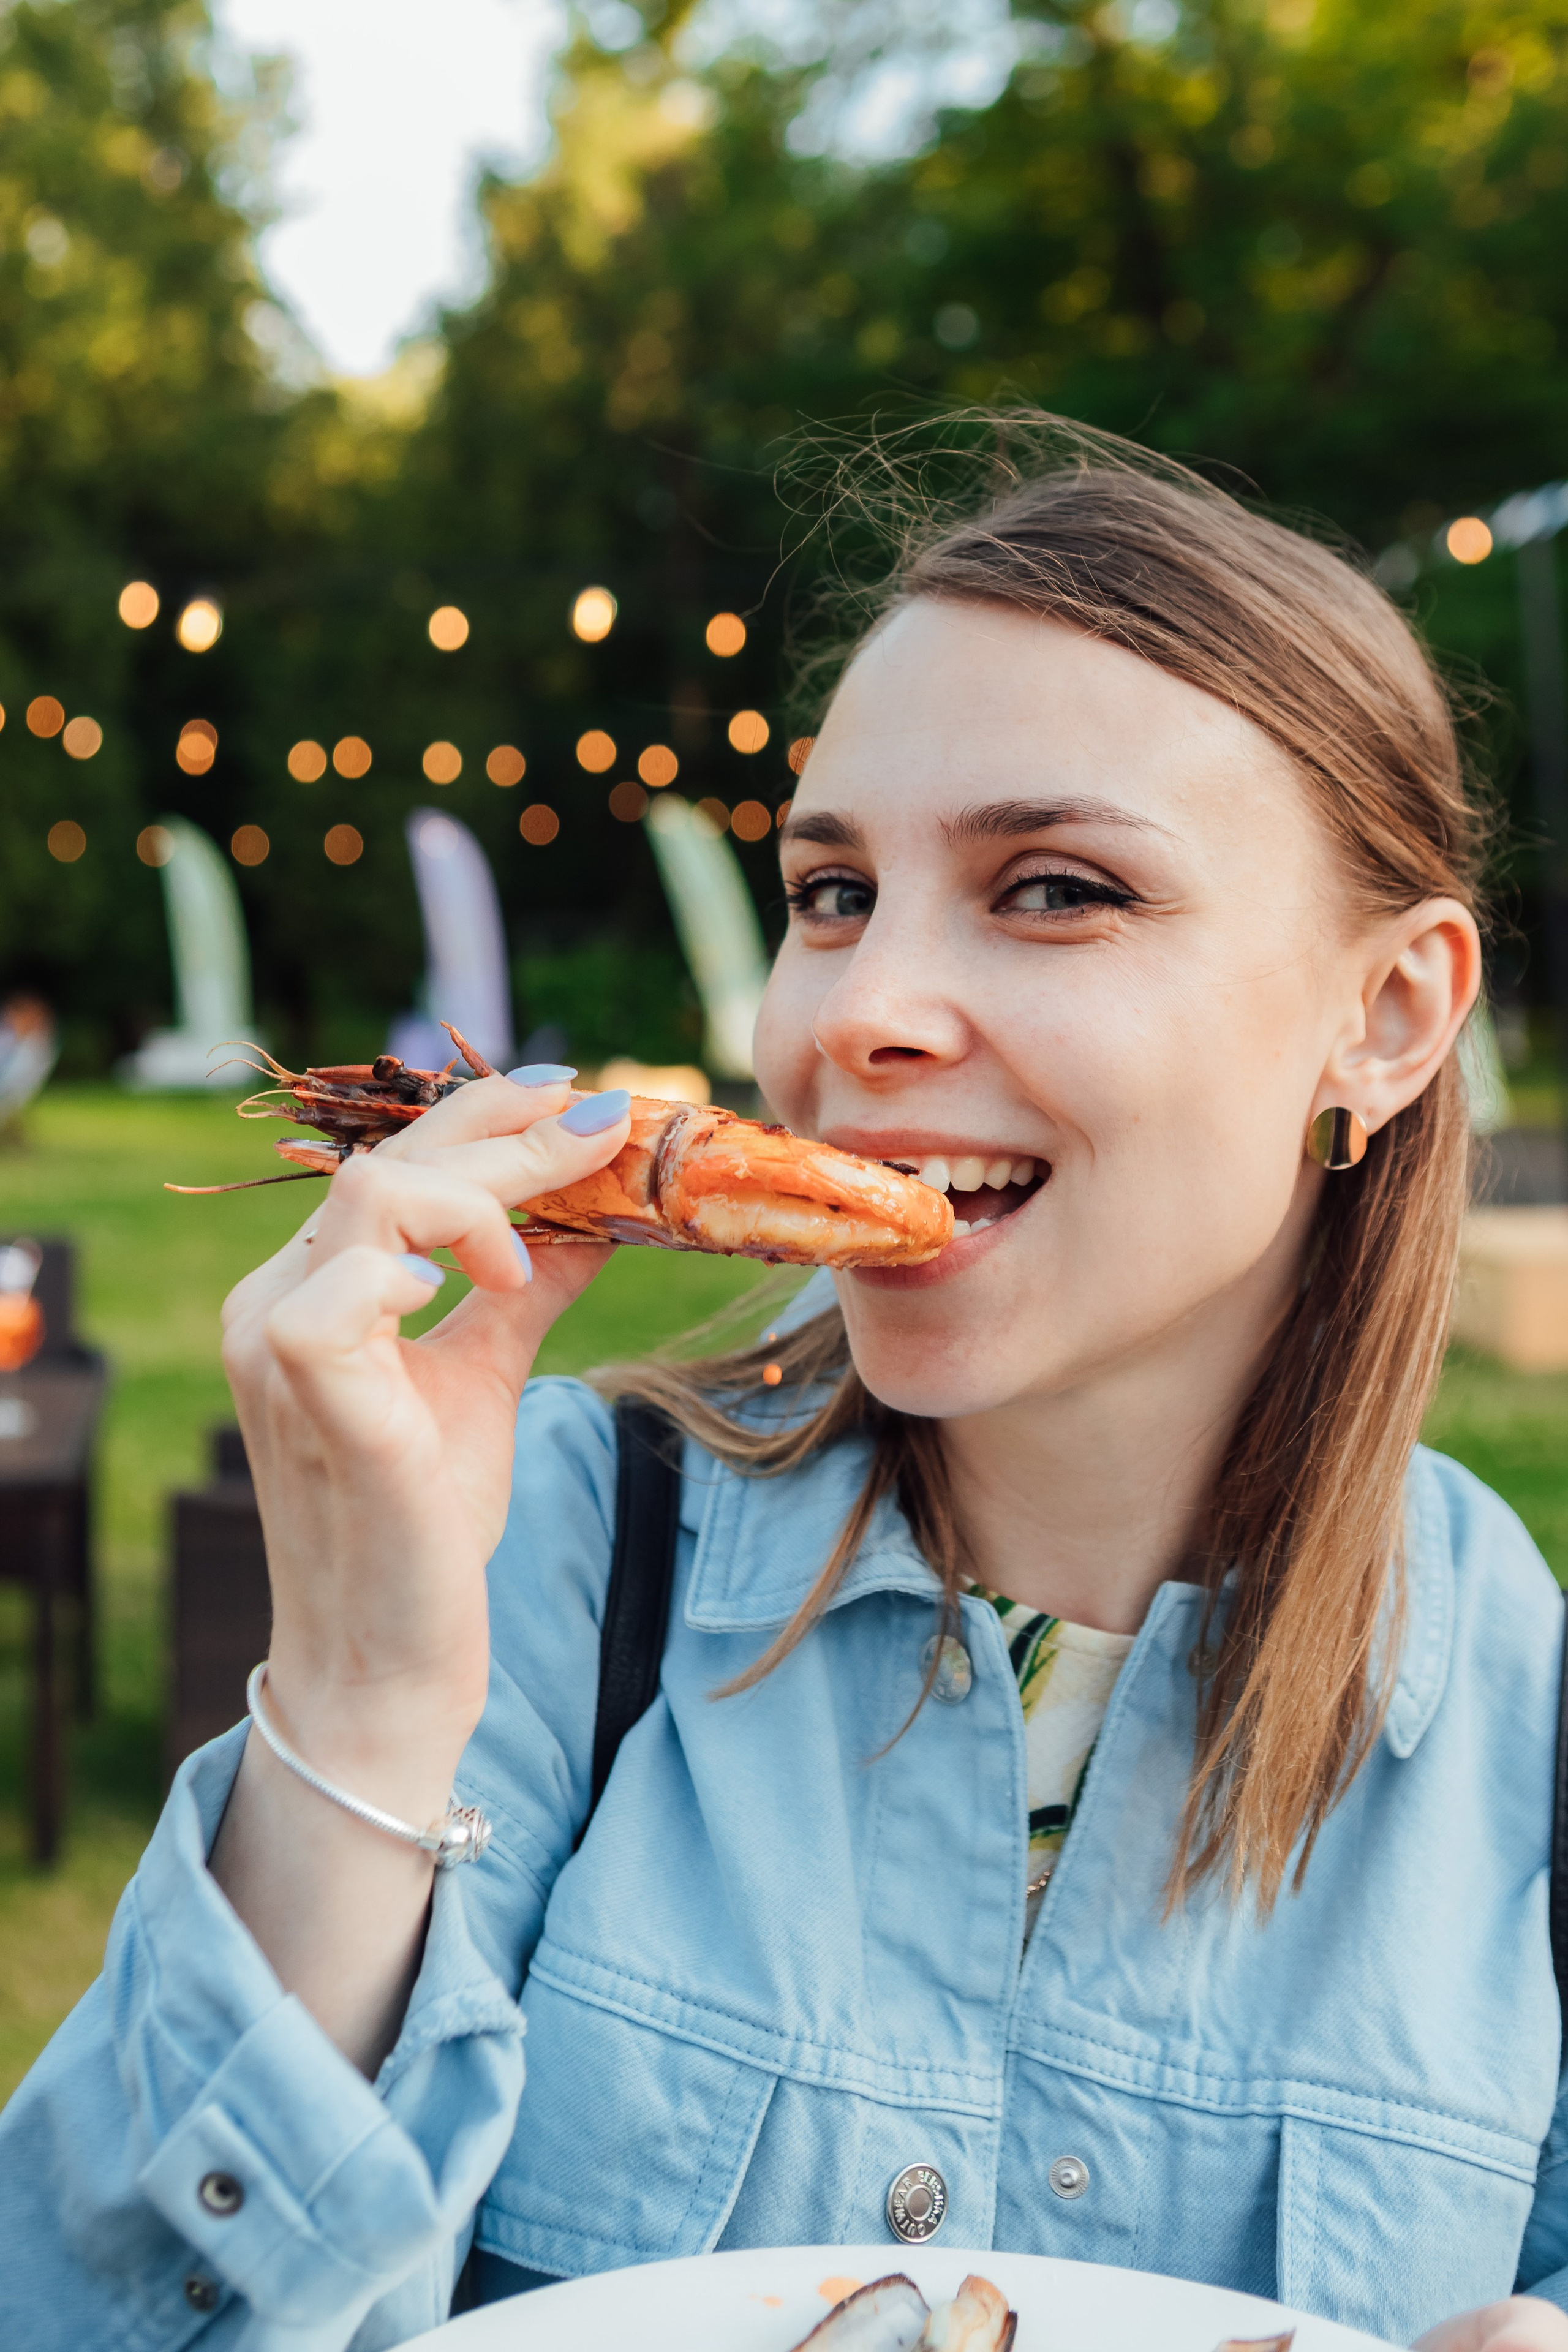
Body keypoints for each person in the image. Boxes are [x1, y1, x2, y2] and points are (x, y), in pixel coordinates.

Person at [3, 419, 1566, 2352]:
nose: (852, 1016)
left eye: (1056, 889)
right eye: (832, 896)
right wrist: (362, 1712)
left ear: (1387, 1015)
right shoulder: (567, 1559)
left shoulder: (1528, 1717)